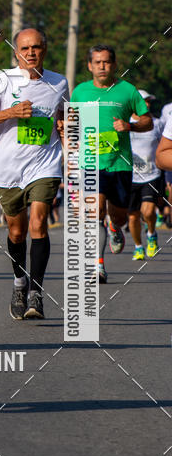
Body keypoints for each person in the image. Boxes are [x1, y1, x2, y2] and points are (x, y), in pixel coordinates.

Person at [0, 28, 69, 320]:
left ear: (45, 49)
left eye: (36, 47)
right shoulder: (1, 82)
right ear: (16, 53)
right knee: (16, 231)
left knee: (39, 222)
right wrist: (10, 113)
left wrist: (64, 128)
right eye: (25, 48)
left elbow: (64, 116)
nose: (31, 53)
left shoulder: (59, 82)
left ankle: (36, 293)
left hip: (45, 164)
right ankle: (19, 283)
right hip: (9, 167)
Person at [71, 45, 152, 284]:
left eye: (106, 62)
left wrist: (131, 126)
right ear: (89, 66)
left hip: (120, 164)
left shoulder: (127, 91)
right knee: (95, 211)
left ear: (114, 65)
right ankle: (98, 265)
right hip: (90, 162)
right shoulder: (80, 92)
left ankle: (116, 228)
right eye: (97, 62)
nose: (102, 66)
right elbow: (72, 123)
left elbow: (147, 121)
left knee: (118, 215)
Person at [128, 90, 164, 260]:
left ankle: (151, 233)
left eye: (149, 101)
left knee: (148, 212)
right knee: (133, 216)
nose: (148, 104)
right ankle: (138, 246)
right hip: (129, 176)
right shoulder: (124, 123)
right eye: (145, 101)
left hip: (151, 174)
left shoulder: (158, 123)